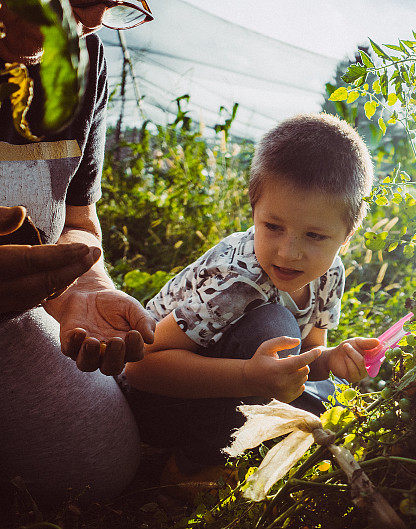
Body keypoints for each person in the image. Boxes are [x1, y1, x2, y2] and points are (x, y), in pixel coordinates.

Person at [121, 113, 380, 481]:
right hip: (150, 405)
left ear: (346, 235)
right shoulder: (239, 278)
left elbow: (304, 355)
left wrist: (332, 359)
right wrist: (249, 378)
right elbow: (141, 369)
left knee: (327, 400)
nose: (289, 253)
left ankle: (230, 446)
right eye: (273, 227)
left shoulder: (330, 273)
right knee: (275, 325)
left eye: (315, 236)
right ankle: (188, 468)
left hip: (225, 391)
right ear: (253, 211)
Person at [0, 0, 156, 506]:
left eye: (115, 4)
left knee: (102, 462)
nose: (91, 22)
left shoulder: (84, 56)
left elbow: (77, 218)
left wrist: (82, 286)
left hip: (9, 319)